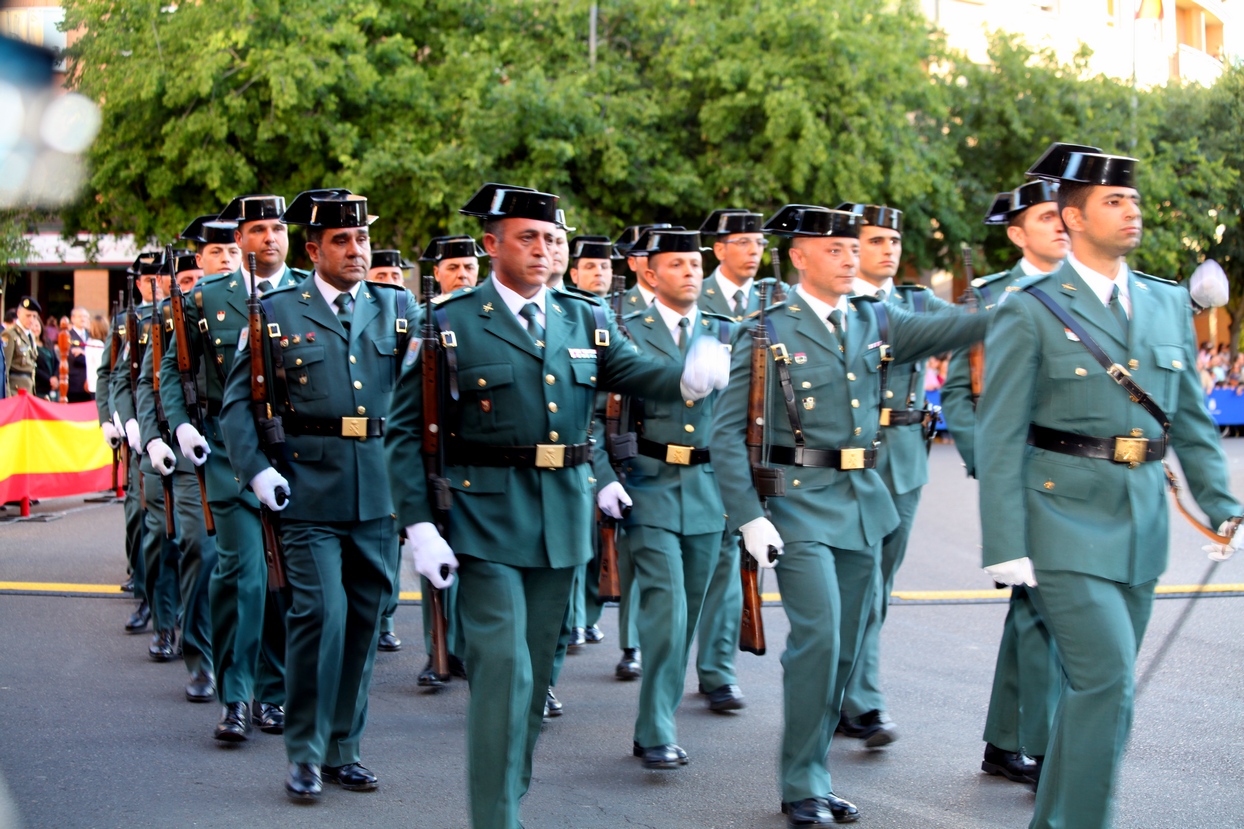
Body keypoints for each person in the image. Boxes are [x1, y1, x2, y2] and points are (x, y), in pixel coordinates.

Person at [385, 183, 729, 829]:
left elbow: (633, 371)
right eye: (528, 237)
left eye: (553, 239)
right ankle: (495, 817)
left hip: (562, 521)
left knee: (537, 677)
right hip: (481, 519)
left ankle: (507, 791)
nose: (543, 249)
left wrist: (686, 374)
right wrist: (419, 523)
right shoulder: (448, 321)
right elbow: (406, 430)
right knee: (503, 671)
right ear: (492, 244)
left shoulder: (584, 317)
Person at [977, 144, 1243, 829]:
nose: (1131, 211)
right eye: (1113, 202)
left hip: (1142, 522)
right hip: (1059, 517)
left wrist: (1222, 504)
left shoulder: (1160, 302)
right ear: (1072, 217)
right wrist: (1005, 540)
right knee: (1108, 681)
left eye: (1133, 199)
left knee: (1099, 693)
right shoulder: (1030, 308)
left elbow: (1186, 415)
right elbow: (1000, 435)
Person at [710, 204, 990, 828]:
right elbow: (727, 435)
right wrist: (749, 516)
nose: (847, 260)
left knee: (845, 645)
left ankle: (817, 770)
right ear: (800, 257)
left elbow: (957, 331)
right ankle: (802, 781)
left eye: (850, 250)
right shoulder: (763, 331)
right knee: (819, 638)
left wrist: (1027, 299)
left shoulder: (875, 319)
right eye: (832, 251)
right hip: (797, 501)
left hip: (862, 503)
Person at [220, 188, 413, 801]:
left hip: (379, 492)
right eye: (341, 241)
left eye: (362, 239)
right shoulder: (277, 312)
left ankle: (343, 748)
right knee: (319, 617)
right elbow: (237, 406)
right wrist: (256, 471)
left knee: (363, 622)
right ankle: (303, 751)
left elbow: (423, 405)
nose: (357, 250)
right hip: (305, 489)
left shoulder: (398, 307)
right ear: (313, 249)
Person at [940, 176, 1069, 787]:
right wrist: (988, 460)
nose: (1063, 225)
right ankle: (1042, 746)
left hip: (1076, 470)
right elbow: (961, 397)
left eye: (1066, 214)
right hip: (1021, 472)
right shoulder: (989, 300)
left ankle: (1006, 740)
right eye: (1048, 217)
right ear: (1017, 233)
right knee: (1050, 605)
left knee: (1035, 606)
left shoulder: (1085, 291)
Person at [160, 202, 296, 743]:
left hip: (294, 454)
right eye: (257, 229)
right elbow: (175, 366)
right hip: (226, 451)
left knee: (285, 582)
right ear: (239, 238)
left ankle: (275, 690)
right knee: (244, 574)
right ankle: (236, 697)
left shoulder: (308, 295)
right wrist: (179, 425)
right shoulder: (206, 298)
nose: (268, 238)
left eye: (278, 228)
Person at [605, 226, 734, 768]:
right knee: (667, 605)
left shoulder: (727, 330)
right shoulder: (624, 327)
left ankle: (657, 715)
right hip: (649, 480)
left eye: (695, 265)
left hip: (708, 488)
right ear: (649, 274)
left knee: (690, 611)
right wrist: (602, 473)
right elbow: (596, 411)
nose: (690, 273)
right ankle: (656, 726)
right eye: (677, 265)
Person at [835, 201, 954, 747]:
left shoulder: (917, 302)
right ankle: (862, 700)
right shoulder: (831, 302)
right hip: (847, 457)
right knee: (853, 582)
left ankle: (844, 694)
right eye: (876, 240)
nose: (889, 251)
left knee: (879, 583)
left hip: (904, 457)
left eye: (894, 242)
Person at [694, 207, 782, 713]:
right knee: (712, 563)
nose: (753, 252)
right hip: (709, 449)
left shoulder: (778, 300)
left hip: (760, 449)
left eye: (759, 244)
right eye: (744, 243)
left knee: (744, 559)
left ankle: (718, 668)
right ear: (719, 249)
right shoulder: (695, 296)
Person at [134, 252, 219, 701]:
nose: (192, 285)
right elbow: (150, 382)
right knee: (191, 549)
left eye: (196, 278)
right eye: (184, 278)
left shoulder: (241, 305)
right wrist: (149, 437)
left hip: (234, 447)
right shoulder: (168, 316)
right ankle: (190, 648)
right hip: (181, 450)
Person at [111, 254, 181, 662]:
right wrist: (128, 424)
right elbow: (120, 377)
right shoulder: (140, 321)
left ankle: (188, 624)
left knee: (197, 548)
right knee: (155, 533)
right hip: (152, 440)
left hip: (204, 447)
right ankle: (157, 609)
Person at [366, 247, 414, 654]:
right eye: (381, 275)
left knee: (389, 543)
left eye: (395, 275)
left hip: (389, 442)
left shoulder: (404, 312)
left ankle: (385, 615)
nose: (389, 282)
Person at [616, 224, 671, 310]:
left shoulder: (693, 300)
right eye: (648, 255)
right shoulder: (615, 306)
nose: (658, 260)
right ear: (632, 263)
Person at [2, 296, 41, 397]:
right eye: (28, 315)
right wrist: (8, 397)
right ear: (18, 313)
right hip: (15, 392)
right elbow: (4, 370)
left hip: (28, 391)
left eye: (34, 316)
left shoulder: (31, 335)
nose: (31, 319)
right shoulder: (9, 334)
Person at [63, 306, 94, 402]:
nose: (83, 319)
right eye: (80, 316)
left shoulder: (92, 335)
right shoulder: (67, 335)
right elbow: (76, 358)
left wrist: (84, 352)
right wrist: (90, 355)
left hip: (91, 385)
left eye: (85, 316)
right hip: (75, 386)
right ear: (72, 318)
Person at [27, 314, 59, 400]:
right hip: (39, 388)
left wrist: (55, 377)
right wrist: (49, 380)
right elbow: (33, 366)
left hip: (52, 387)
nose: (35, 329)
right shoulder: (28, 344)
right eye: (32, 326)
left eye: (37, 325)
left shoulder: (48, 342)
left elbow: (56, 361)